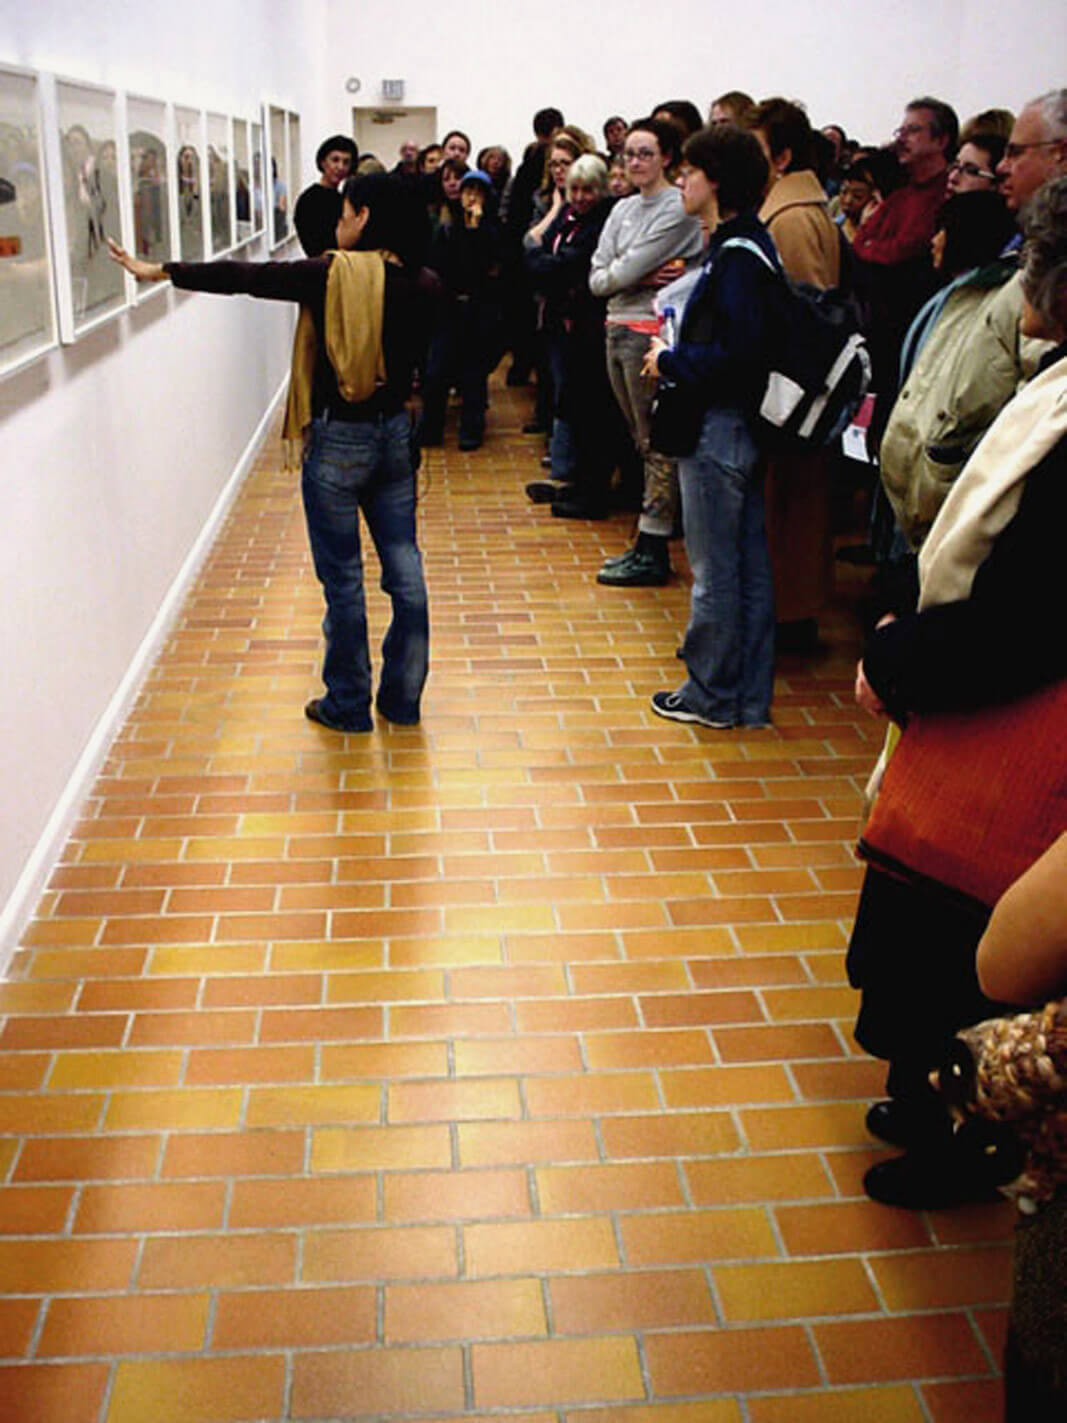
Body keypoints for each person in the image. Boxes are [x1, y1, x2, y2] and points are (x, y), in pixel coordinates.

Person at [846, 175, 1067, 1210]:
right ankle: (920, 1091)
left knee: (956, 931)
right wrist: (899, 616)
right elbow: (958, 533)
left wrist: (896, 659)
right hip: (966, 682)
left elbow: (1027, 616)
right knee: (915, 919)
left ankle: (958, 1125)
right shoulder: (1050, 373)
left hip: (1010, 715)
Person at [108, 172, 433, 734]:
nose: (339, 222)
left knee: (344, 581)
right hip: (394, 439)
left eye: (347, 211)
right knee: (405, 570)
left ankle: (349, 704)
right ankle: (402, 700)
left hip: (339, 442)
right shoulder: (426, 283)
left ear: (364, 217)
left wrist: (162, 270)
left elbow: (249, 277)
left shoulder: (333, 275)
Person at [642, 123, 779, 728]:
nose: (681, 180)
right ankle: (743, 696)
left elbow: (742, 359)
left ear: (716, 180)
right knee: (743, 567)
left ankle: (714, 695)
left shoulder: (738, 256)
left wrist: (670, 359)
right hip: (735, 429)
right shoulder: (745, 245)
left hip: (718, 428)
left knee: (718, 572)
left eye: (690, 171)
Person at [878, 189, 1026, 557]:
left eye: (942, 229)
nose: (933, 240)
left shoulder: (993, 301)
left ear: (964, 234)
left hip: (943, 484)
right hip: (926, 480)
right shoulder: (953, 295)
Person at [589, 117, 704, 587]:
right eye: (628, 154)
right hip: (616, 326)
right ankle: (648, 537)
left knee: (657, 443)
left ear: (667, 159)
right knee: (640, 440)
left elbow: (619, 271)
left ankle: (653, 544)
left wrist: (626, 272)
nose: (634, 162)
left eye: (645, 154)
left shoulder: (677, 209)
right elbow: (599, 277)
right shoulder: (621, 210)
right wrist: (630, 272)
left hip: (648, 330)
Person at [750, 97, 840, 651]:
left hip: (793, 392)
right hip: (787, 388)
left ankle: (791, 615)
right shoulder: (791, 208)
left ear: (780, 157)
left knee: (792, 510)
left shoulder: (792, 216)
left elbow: (809, 312)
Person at [524, 154, 624, 519]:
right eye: (574, 189)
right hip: (563, 326)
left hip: (591, 328)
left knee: (594, 413)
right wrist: (541, 262)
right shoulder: (568, 217)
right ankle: (580, 484)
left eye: (587, 190)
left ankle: (593, 491)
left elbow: (563, 265)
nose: (580, 197)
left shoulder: (601, 222)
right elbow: (537, 259)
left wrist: (541, 262)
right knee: (572, 406)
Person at [421, 167, 501, 452]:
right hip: (449, 308)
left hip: (480, 309)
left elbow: (488, 268)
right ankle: (430, 428)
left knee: (474, 375)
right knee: (436, 371)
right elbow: (442, 265)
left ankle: (472, 429)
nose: (471, 198)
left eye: (477, 193)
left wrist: (476, 231)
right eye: (468, 192)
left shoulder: (493, 230)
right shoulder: (447, 228)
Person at [294, 135, 358, 256]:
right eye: (335, 160)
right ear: (323, 162)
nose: (340, 167)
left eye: (346, 162)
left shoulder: (343, 197)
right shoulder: (309, 199)